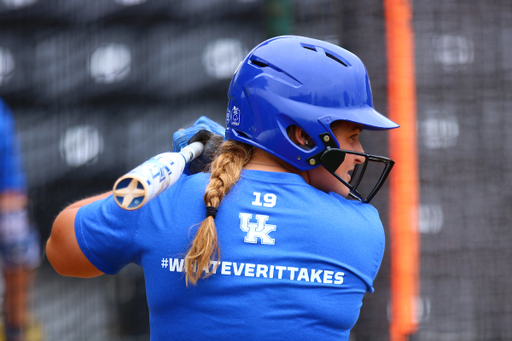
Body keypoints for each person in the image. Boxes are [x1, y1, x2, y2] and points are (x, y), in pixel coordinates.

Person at [46, 35, 399, 340]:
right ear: (301, 137)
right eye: (352, 136)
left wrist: (169, 176)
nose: (359, 155)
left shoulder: (163, 204)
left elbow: (61, 249)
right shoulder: (361, 230)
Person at [0, 98, 41, 341]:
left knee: (18, 283)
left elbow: (12, 195)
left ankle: (17, 333)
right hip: (11, 206)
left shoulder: (2, 114)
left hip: (10, 206)